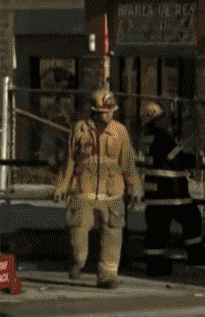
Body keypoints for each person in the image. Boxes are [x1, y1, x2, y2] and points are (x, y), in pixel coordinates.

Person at [54, 88, 142, 289]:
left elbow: (128, 163)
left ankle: (107, 275)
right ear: (94, 111)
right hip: (83, 191)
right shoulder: (80, 129)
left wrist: (135, 186)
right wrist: (61, 186)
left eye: (111, 110)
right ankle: (78, 261)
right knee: (78, 235)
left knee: (112, 234)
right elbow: (69, 161)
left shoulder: (119, 131)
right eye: (104, 111)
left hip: (112, 194)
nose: (108, 114)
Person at [141, 102, 205, 276]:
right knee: (191, 218)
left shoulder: (148, 136)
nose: (165, 121)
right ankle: (195, 254)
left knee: (156, 228)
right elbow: (177, 159)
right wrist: (198, 161)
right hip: (170, 191)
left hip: (155, 191)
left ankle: (154, 262)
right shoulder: (162, 136)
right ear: (156, 120)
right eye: (162, 118)